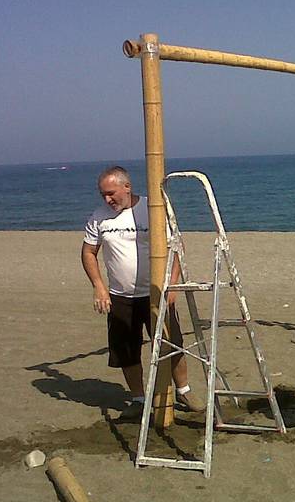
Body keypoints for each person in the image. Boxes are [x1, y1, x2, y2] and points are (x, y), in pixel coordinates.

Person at [81, 166, 205, 419]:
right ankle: (138, 398)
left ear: (127, 187)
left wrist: (172, 284)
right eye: (103, 194)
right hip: (120, 296)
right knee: (126, 350)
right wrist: (99, 286)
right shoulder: (99, 218)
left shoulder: (152, 210)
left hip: (156, 292)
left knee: (172, 344)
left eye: (111, 193)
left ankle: (184, 390)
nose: (108, 199)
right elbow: (88, 252)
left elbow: (176, 246)